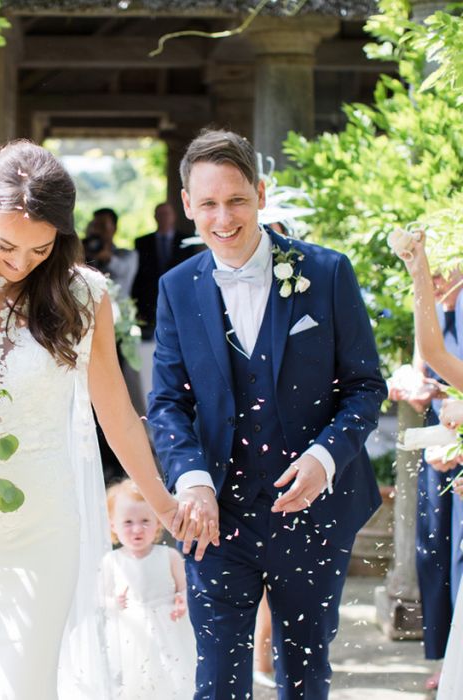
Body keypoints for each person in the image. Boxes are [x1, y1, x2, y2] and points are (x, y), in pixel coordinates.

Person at [0, 140, 203, 700]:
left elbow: (119, 416)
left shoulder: (83, 296)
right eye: (7, 244)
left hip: (44, 526)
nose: (19, 261)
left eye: (40, 249)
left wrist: (164, 504)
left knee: (26, 684)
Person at [148, 128, 386, 700]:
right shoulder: (177, 287)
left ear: (259, 192)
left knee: (305, 675)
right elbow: (167, 402)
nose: (223, 218)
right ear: (187, 204)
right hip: (216, 519)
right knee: (218, 680)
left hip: (314, 514)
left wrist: (326, 458)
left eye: (236, 200)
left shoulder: (326, 273)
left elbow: (363, 386)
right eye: (207, 204)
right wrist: (193, 480)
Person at [387, 269, 463, 690]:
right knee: (435, 547)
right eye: (426, 273)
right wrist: (414, 385)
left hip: (455, 440)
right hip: (441, 442)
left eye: (438, 271)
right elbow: (428, 360)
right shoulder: (431, 309)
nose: (433, 280)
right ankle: (448, 655)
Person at [103, 479, 196, 699]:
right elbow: (100, 598)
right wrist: (113, 602)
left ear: (158, 523)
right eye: (127, 522)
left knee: (172, 673)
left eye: (145, 520)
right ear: (113, 525)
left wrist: (182, 599)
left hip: (167, 627)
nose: (137, 529)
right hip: (131, 631)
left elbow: (185, 587)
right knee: (136, 678)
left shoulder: (169, 556)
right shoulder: (112, 561)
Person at [131, 202, 198, 341]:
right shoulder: (142, 242)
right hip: (149, 302)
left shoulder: (187, 241)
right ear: (155, 216)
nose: (164, 217)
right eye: (160, 214)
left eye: (167, 214)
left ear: (173, 217)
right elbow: (137, 276)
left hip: (179, 298)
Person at [83, 207, 139, 299]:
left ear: (114, 228)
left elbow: (122, 269)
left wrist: (107, 258)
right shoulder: (85, 253)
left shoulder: (128, 255)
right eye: (94, 226)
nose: (96, 231)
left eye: (102, 226)